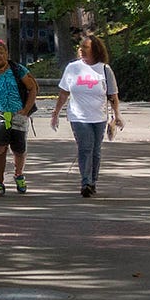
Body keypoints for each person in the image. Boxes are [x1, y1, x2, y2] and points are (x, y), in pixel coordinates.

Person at [52, 36, 122, 198]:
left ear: (95, 50)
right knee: (85, 148)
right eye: (80, 47)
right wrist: (56, 112)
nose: (81, 50)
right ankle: (86, 182)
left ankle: (93, 181)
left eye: (86, 47)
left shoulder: (104, 69)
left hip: (99, 117)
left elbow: (113, 95)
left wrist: (116, 115)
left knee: (95, 151)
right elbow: (63, 93)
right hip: (78, 116)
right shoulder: (72, 68)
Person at [0, 40, 37, 196]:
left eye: (1, 53)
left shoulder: (18, 70)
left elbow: (32, 88)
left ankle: (19, 175)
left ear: (7, 54)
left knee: (19, 149)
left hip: (18, 115)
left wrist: (26, 109)